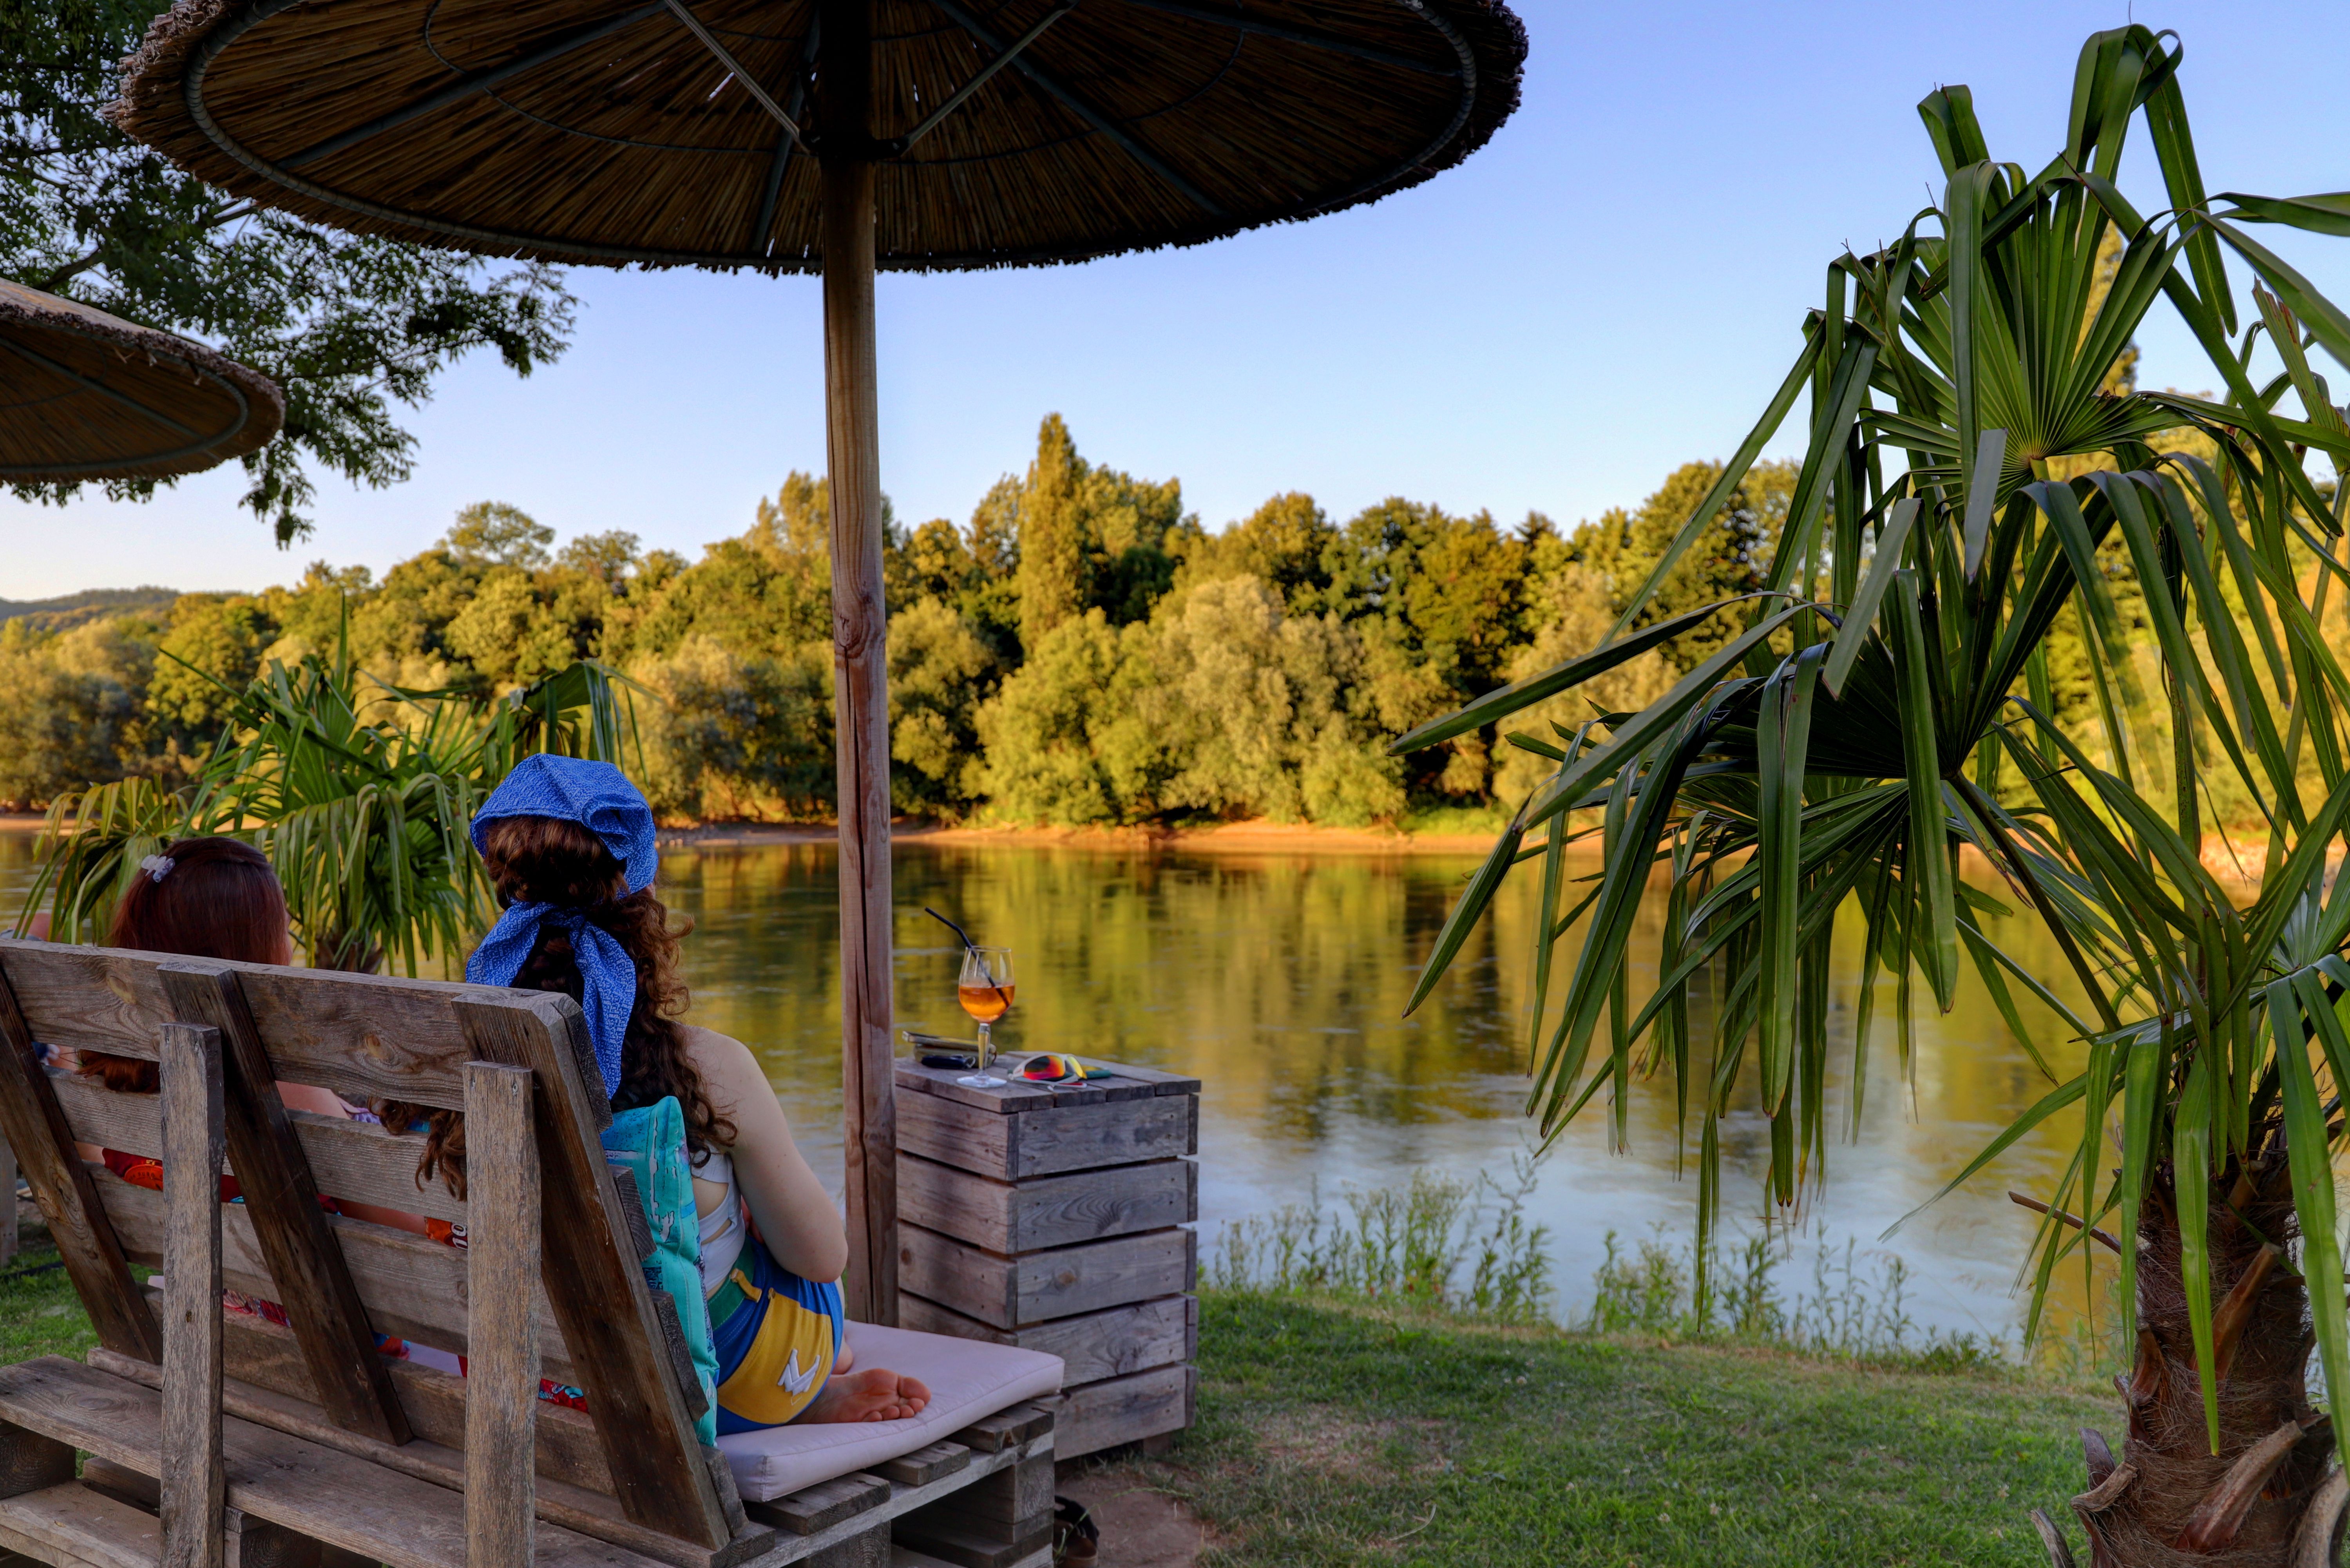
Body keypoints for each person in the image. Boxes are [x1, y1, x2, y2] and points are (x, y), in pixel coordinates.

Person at [462, 754, 930, 1427]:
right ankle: (807, 1376)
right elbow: (825, 1257)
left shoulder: (468, 1052)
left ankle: (813, 1365)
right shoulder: (708, 1068)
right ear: (641, 897)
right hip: (685, 1391)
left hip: (534, 1378)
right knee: (782, 1228)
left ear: (507, 888)